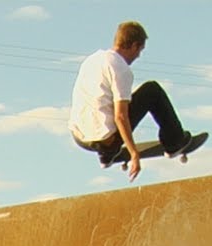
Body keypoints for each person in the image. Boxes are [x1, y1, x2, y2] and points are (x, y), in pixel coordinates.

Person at [69, 21, 194, 181]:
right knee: (152, 90)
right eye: (140, 50)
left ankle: (106, 156)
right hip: (105, 139)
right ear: (134, 45)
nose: (138, 56)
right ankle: (174, 142)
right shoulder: (120, 68)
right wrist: (134, 153)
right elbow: (120, 116)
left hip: (80, 136)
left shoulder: (92, 60)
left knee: (104, 107)